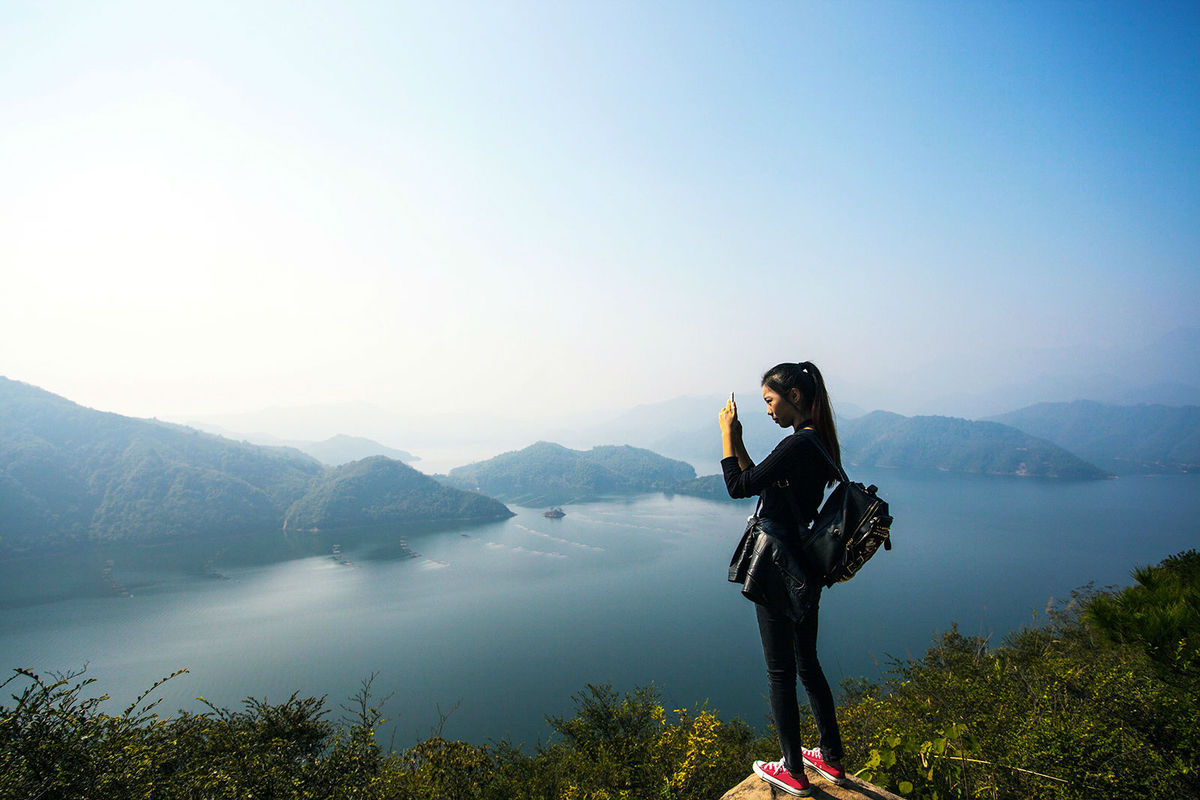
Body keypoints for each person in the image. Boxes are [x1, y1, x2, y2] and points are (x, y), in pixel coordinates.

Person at [719, 361, 847, 797]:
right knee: (808, 664)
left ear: (795, 397)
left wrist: (724, 434)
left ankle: (792, 770)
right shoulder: (818, 444)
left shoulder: (798, 446)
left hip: (776, 567)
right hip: (805, 568)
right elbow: (764, 484)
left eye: (771, 401)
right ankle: (832, 758)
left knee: (780, 671)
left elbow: (737, 486)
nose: (768, 411)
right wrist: (739, 442)